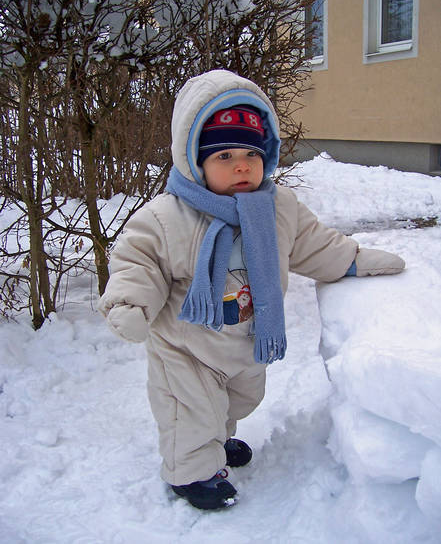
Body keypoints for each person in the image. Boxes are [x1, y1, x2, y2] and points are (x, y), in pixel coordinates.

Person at [98, 70, 405, 510]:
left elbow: (313, 245)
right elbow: (139, 260)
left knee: (237, 400)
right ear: (193, 159)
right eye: (224, 155)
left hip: (245, 344)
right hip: (187, 347)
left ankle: (217, 444)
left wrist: (353, 261)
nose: (242, 165)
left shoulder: (278, 209)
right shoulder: (169, 215)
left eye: (250, 152)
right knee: (192, 411)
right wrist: (130, 301)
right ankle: (192, 474)